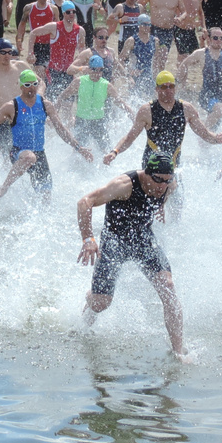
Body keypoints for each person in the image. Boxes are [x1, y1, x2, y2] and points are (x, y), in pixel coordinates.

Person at [77, 152, 189, 359]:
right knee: (101, 303)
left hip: (143, 239)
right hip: (114, 240)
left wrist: (162, 206)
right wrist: (88, 239)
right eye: (158, 180)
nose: (162, 186)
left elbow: (167, 191)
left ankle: (178, 352)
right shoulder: (124, 185)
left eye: (167, 181)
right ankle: (90, 298)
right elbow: (85, 202)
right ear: (147, 173)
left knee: (168, 286)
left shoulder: (168, 184)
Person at [0, 68, 90, 202]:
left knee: (45, 198)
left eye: (34, 84)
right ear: (21, 86)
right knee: (29, 157)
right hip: (18, 152)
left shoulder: (46, 105)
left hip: (40, 154)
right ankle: (2, 190)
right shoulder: (11, 106)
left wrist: (78, 148)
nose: (31, 88)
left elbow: (61, 130)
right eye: (27, 85)